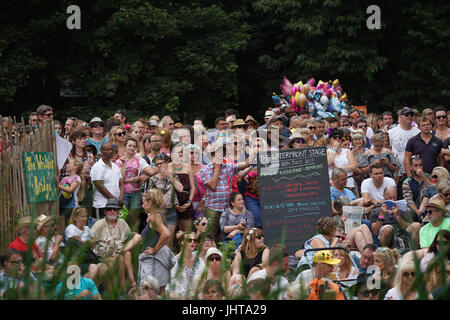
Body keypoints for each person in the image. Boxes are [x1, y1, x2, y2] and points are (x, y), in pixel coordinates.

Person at [198, 138, 256, 242]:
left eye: (222, 153)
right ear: (212, 155)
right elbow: (213, 186)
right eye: (217, 153)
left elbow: (246, 164)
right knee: (211, 235)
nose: (220, 155)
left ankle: (227, 255)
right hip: (213, 208)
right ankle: (212, 254)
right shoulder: (205, 170)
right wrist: (216, 169)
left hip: (227, 208)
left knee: (227, 235)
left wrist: (254, 150)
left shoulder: (228, 166)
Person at [91, 199, 142, 288]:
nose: (112, 211)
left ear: (118, 212)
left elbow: (130, 236)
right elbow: (91, 240)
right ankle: (123, 286)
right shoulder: (99, 224)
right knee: (122, 256)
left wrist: (134, 236)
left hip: (120, 250)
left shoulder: (122, 222)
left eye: (115, 209)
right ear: (105, 212)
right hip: (105, 253)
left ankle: (132, 282)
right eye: (109, 209)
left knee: (129, 249)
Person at [138, 189, 174, 296]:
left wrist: (154, 249)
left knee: (146, 292)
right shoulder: (157, 215)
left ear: (150, 203)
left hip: (154, 261)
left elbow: (166, 234)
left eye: (143, 202)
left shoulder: (154, 217)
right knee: (161, 293)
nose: (142, 205)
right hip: (160, 259)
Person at [147, 153, 184, 247]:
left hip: (171, 210)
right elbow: (149, 197)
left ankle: (169, 260)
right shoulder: (153, 179)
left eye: (161, 163)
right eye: (157, 164)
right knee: (159, 239)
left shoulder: (173, 176)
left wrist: (170, 176)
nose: (159, 166)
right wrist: (149, 214)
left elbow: (180, 189)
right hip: (158, 212)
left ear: (167, 163)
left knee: (169, 239)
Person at [64, 206, 107, 282]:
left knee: (103, 267)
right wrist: (89, 242)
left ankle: (94, 290)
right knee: (94, 268)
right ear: (75, 218)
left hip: (89, 257)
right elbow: (77, 242)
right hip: (77, 260)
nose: (85, 219)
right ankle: (83, 289)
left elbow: (93, 240)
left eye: (86, 216)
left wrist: (89, 242)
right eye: (82, 217)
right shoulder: (71, 228)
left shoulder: (87, 228)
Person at [389, 107, 421, 190]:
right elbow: (387, 148)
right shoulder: (392, 132)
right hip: (397, 172)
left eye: (411, 114)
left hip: (414, 171)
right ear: (400, 116)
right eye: (406, 115)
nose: (409, 116)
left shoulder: (418, 132)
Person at [90, 142, 124, 220]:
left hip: (115, 205)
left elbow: (121, 182)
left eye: (112, 150)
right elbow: (100, 186)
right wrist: (114, 200)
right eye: (107, 150)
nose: (110, 152)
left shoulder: (115, 166)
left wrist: (121, 199)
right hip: (102, 205)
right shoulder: (97, 167)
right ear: (101, 151)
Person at [166, 232, 205, 299]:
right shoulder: (173, 262)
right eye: (189, 240)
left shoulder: (200, 262)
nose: (192, 242)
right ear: (182, 242)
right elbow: (170, 287)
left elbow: (204, 283)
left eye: (194, 240)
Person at [115, 137, 143, 230]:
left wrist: (128, 180)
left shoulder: (139, 161)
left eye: (134, 146)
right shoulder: (119, 161)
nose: (131, 148)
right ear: (125, 147)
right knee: (123, 218)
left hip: (136, 192)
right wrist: (123, 164)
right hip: (123, 193)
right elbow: (121, 178)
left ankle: (136, 239)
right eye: (129, 145)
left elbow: (139, 178)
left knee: (135, 218)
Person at [169, 143, 195, 232]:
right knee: (172, 231)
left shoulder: (188, 167)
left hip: (186, 203)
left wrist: (189, 202)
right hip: (171, 204)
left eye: (183, 152)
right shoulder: (167, 167)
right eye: (179, 152)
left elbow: (193, 187)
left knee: (186, 231)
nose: (181, 154)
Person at [327, 128, 357, 194]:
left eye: (339, 137)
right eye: (335, 137)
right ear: (330, 139)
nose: (337, 139)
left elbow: (353, 166)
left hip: (348, 182)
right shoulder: (327, 151)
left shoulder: (347, 151)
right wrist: (334, 149)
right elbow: (328, 163)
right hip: (333, 183)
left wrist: (339, 169)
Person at [58, 158, 84, 225]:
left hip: (72, 207)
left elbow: (70, 190)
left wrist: (57, 185)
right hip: (62, 205)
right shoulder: (64, 178)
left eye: (69, 163)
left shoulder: (77, 178)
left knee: (70, 225)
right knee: (62, 226)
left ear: (75, 167)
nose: (67, 165)